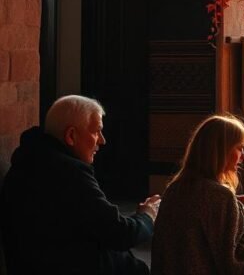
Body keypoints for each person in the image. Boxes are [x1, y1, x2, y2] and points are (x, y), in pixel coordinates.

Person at [0, 95, 159, 275]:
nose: (102, 140)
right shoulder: (67, 172)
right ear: (71, 136)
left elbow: (97, 222)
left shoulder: (30, 162)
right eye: (97, 131)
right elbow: (120, 234)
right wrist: (148, 215)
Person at [151, 115, 244, 275]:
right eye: (239, 148)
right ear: (221, 150)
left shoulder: (174, 190)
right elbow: (240, 267)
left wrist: (235, 209)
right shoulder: (219, 197)